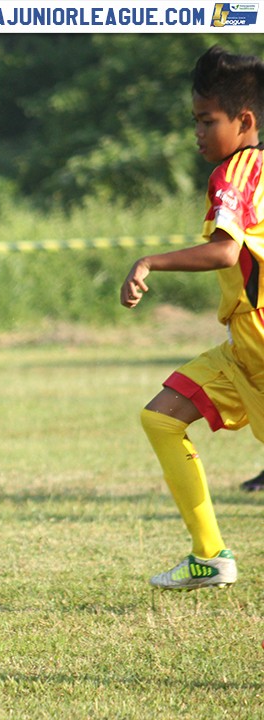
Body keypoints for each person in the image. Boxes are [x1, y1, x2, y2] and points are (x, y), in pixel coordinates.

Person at [119, 45, 264, 591]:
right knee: (161, 416)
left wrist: (149, 261)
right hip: (243, 347)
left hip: (259, 339)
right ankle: (209, 556)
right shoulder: (256, 168)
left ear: (243, 121)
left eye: (208, 121)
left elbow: (226, 253)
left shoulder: (235, 174)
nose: (198, 133)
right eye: (195, 121)